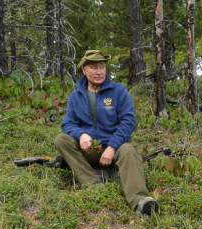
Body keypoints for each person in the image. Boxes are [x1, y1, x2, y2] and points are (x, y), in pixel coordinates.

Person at [55, 49, 158, 216]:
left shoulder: (118, 91)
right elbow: (67, 123)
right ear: (84, 70)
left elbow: (129, 121)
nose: (99, 72)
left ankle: (140, 201)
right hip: (90, 150)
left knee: (129, 151)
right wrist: (81, 134)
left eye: (102, 67)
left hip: (116, 149)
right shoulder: (75, 96)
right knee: (61, 140)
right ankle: (93, 183)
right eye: (94, 67)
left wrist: (112, 147)